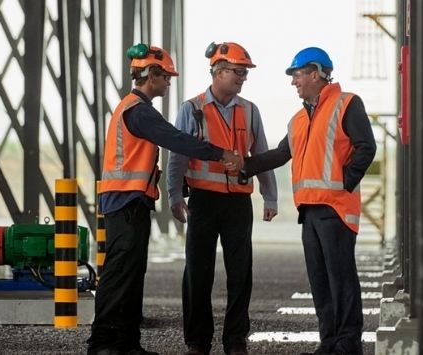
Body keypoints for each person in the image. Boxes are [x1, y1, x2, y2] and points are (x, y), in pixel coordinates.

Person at [86, 43, 242, 355]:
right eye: (166, 76)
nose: (169, 81)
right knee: (119, 275)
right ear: (151, 75)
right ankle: (102, 344)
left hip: (133, 201)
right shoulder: (138, 111)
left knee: (131, 274)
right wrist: (219, 153)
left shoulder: (136, 108)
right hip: (125, 201)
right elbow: (176, 139)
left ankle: (127, 344)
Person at [240, 47, 376, 355]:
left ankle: (348, 345)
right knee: (320, 281)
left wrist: (344, 183)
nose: (294, 82)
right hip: (309, 211)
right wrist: (244, 167)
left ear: (317, 73)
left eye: (297, 75)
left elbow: (366, 147)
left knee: (341, 279)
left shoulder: (347, 104)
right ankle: (329, 343)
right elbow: (280, 154)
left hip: (335, 208)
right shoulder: (298, 119)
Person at [166, 41, 278, 355]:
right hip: (202, 201)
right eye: (237, 71)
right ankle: (198, 341)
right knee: (198, 273)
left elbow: (262, 155)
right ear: (217, 71)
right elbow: (178, 155)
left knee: (240, 273)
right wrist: (175, 194)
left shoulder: (249, 110)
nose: (242, 77)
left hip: (238, 203)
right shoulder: (192, 109)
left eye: (245, 72)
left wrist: (270, 196)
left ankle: (235, 340)